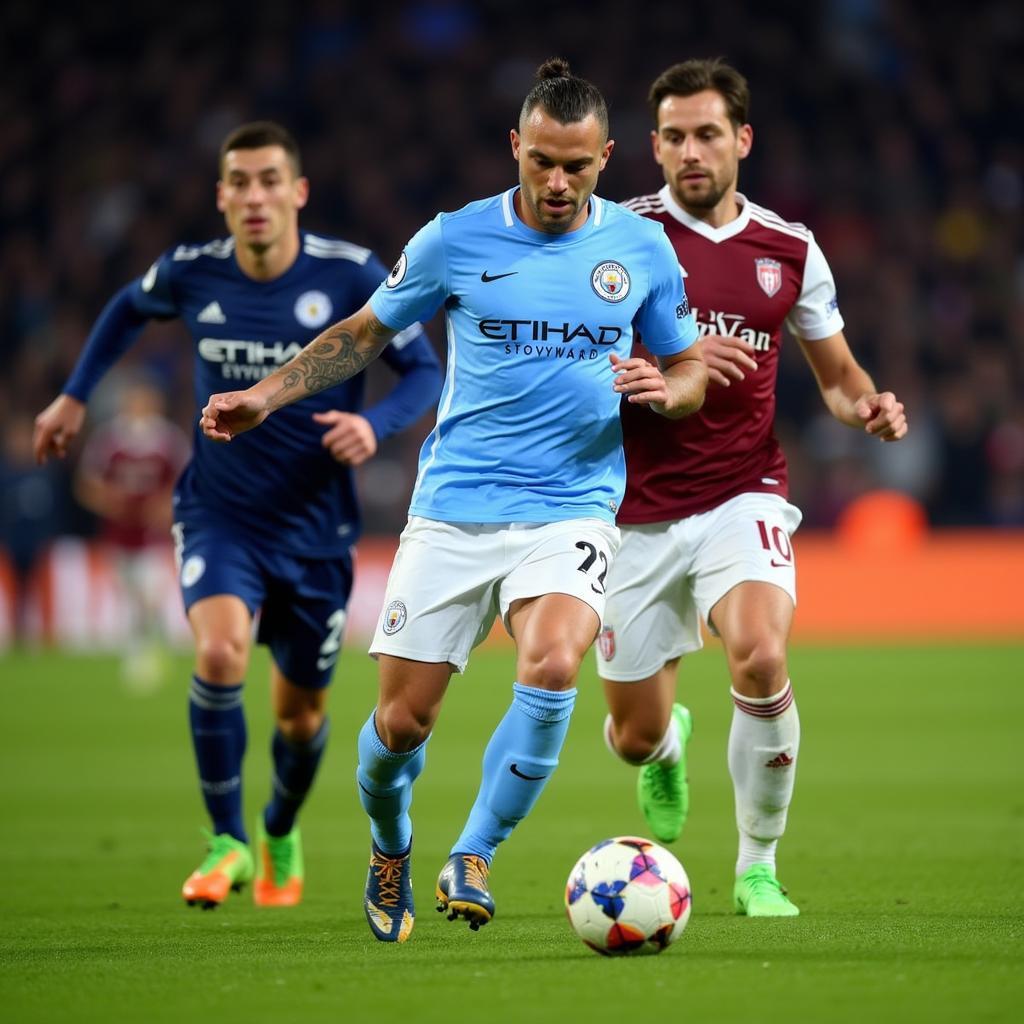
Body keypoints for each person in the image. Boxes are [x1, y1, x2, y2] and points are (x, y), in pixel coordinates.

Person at [199, 59, 707, 943]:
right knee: (400, 726)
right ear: (515, 145)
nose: (556, 182)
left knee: (551, 664)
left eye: (576, 166)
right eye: (541, 160)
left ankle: (473, 851)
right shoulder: (452, 241)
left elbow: (690, 363)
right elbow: (363, 333)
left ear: (608, 158)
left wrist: (669, 390)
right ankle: (390, 844)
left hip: (573, 506)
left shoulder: (640, 248)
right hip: (456, 508)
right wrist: (266, 396)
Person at [33, 121, 442, 910]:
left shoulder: (351, 273)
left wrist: (375, 426)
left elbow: (421, 372)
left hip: (316, 531)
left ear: (298, 192)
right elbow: (124, 308)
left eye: (268, 181)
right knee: (219, 656)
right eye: (240, 183)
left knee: (301, 718)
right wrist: (75, 394)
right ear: (222, 197)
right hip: (219, 513)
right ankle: (225, 844)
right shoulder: (193, 273)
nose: (254, 197)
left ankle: (278, 829)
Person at [596, 58, 908, 917]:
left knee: (764, 656)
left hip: (745, 491)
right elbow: (570, 360)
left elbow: (838, 378)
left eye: (706, 134)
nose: (689, 151)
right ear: (652, 147)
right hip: (631, 511)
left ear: (742, 139)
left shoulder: (789, 248)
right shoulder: (616, 237)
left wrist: (867, 407)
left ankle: (757, 865)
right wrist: (669, 363)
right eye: (673, 137)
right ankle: (666, 747)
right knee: (631, 737)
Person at [73, 378, 190, 690]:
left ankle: (145, 654)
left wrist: (165, 506)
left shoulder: (168, 440)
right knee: (128, 594)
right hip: (118, 534)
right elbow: (87, 484)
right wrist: (109, 501)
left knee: (148, 595)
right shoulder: (109, 440)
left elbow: (186, 482)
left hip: (153, 536)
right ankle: (146, 645)